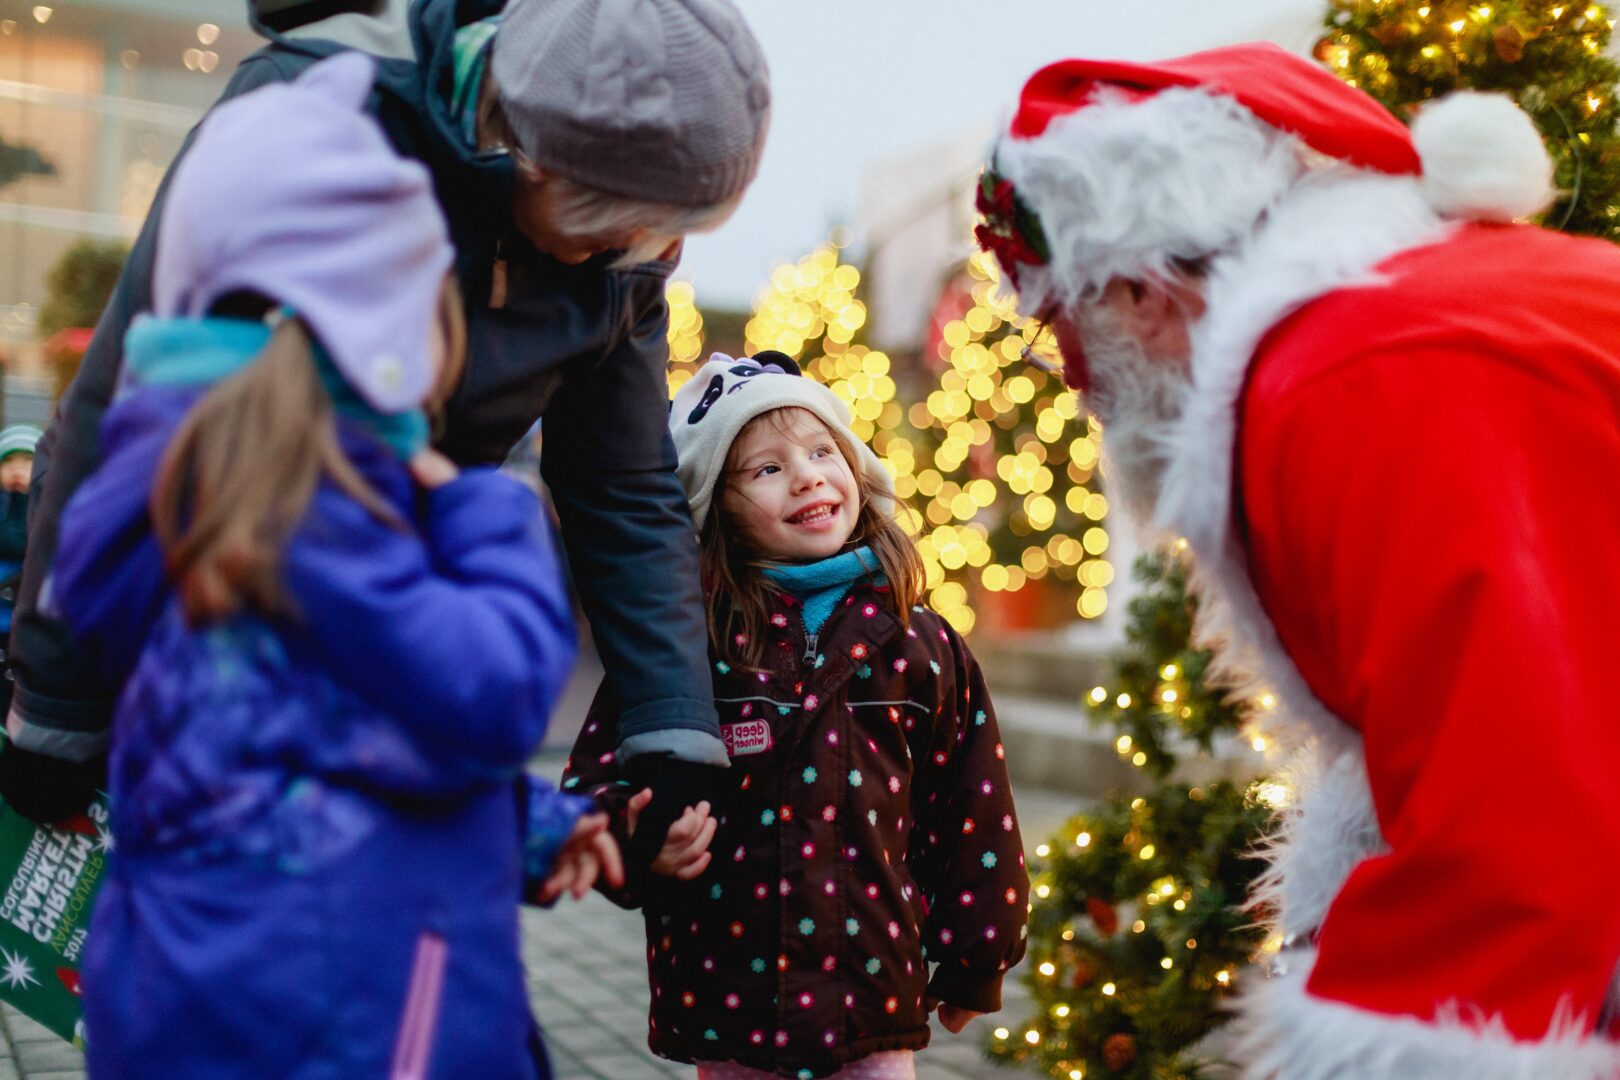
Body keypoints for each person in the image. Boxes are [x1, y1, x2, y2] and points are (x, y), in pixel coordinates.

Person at [1, 0, 770, 873]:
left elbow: (624, 485)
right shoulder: (309, 118)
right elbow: (117, 407)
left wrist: (671, 734)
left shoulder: (626, 256)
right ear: (531, 154)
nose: (641, 250)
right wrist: (57, 705)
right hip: (226, 594)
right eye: (617, 223)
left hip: (373, 641)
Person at [975, 41, 1620, 1079]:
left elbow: (1521, 815)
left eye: (1063, 318)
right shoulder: (1384, 324)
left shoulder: (1348, 382)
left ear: (1142, 288)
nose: (1068, 367)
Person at [53, 54, 611, 1077]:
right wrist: (490, 511)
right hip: (354, 1029)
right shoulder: (315, 518)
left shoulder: (185, 501)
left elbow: (338, 743)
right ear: (384, 336)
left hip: (193, 1009)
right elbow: (491, 689)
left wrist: (521, 824)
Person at [564, 354, 1029, 1080]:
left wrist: (979, 952)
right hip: (728, 994)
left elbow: (973, 806)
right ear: (716, 503)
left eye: (821, 453)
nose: (808, 476)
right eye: (767, 469)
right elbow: (595, 778)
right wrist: (636, 837)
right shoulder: (686, 645)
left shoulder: (921, 643)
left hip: (870, 997)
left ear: (855, 469)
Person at [0, 425, 39, 638]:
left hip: (25, 607)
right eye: (8, 461)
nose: (17, 469)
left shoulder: (44, 506)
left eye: (27, 461)